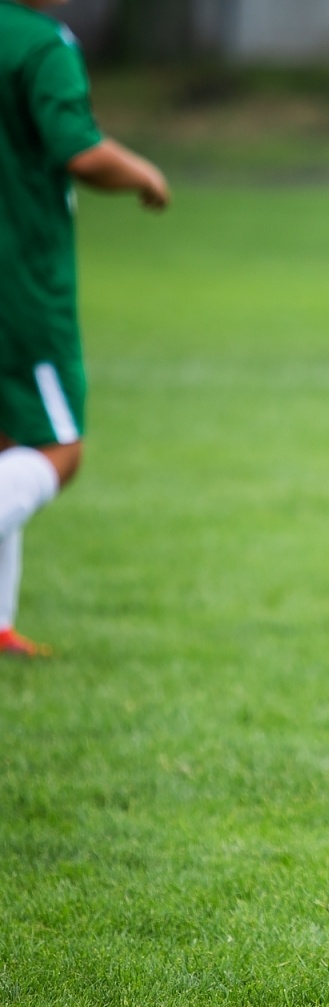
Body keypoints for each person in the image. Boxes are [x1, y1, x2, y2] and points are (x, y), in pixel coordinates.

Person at [0, 0, 169, 658]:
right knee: (58, 450)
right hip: (19, 281)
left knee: (8, 438)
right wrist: (142, 174)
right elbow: (80, 151)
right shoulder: (42, 45)